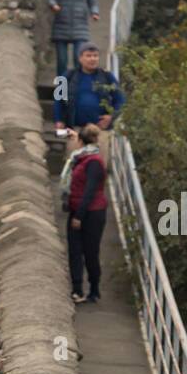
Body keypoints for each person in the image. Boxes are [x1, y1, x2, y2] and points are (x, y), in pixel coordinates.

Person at [48, 0, 100, 134]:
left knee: (80, 62)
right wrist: (54, 5)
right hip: (61, 24)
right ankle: (60, 95)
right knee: (62, 66)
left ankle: (75, 92)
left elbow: (93, 1)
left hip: (80, 26)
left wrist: (94, 12)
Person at [60, 123, 107, 303]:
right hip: (77, 210)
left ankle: (94, 289)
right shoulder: (81, 159)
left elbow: (90, 191)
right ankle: (77, 289)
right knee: (75, 251)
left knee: (90, 253)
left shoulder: (93, 162)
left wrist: (79, 216)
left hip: (92, 214)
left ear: (80, 141)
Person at [60, 44, 124, 163]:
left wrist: (111, 116)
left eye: (95, 56)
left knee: (98, 164)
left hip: (99, 130)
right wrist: (59, 120)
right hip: (76, 128)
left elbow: (120, 99)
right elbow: (58, 100)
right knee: (73, 163)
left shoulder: (107, 76)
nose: (92, 59)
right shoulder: (68, 76)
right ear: (80, 58)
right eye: (88, 56)